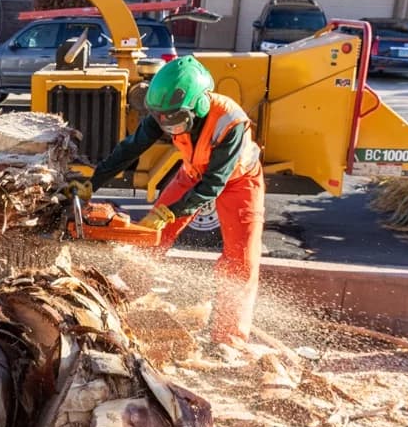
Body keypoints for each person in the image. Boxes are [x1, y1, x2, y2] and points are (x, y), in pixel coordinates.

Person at [71, 55, 265, 348]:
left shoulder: (230, 122)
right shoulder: (167, 111)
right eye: (162, 120)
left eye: (173, 121)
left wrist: (171, 212)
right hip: (191, 172)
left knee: (240, 258)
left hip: (239, 182)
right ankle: (122, 294)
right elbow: (131, 148)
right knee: (152, 237)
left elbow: (214, 184)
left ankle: (229, 340)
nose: (167, 126)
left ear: (197, 106)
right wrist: (93, 182)